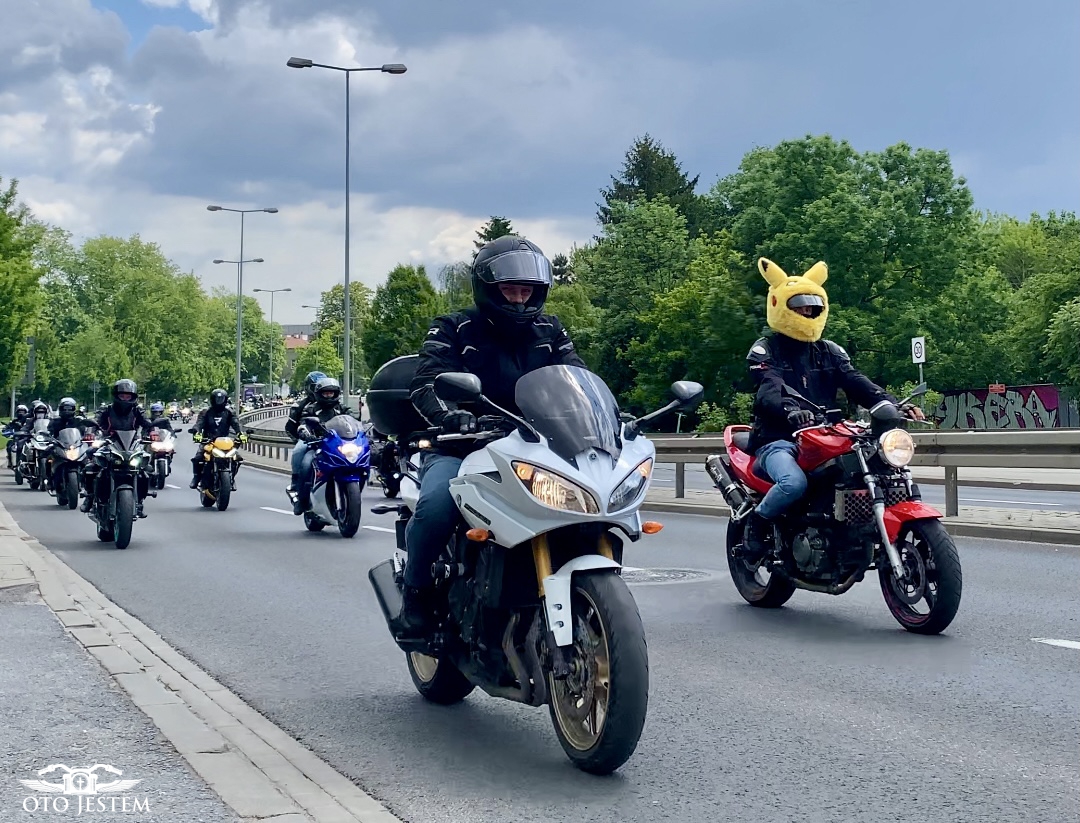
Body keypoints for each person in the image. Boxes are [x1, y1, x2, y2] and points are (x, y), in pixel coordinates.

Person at [399, 235, 587, 637]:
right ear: (488, 288)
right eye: (510, 289)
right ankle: (416, 591)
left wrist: (604, 411)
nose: (519, 299)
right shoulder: (453, 328)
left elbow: (577, 378)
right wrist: (451, 416)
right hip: (463, 446)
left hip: (537, 447)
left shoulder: (550, 330)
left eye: (526, 290)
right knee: (437, 505)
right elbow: (426, 382)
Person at [742, 257, 926, 564]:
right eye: (799, 307)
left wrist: (891, 404)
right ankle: (756, 524)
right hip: (778, 439)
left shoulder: (829, 351)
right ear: (780, 306)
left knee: (864, 469)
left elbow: (855, 381)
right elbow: (769, 387)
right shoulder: (766, 349)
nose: (806, 313)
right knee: (793, 483)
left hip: (824, 434)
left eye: (812, 308)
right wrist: (790, 409)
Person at [81, 379, 154, 515]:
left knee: (146, 469)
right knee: (91, 464)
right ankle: (90, 496)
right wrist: (90, 432)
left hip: (131, 444)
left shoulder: (138, 410)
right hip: (109, 443)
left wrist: (153, 432)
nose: (125, 399)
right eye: (122, 396)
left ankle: (139, 502)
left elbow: (147, 423)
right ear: (116, 396)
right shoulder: (106, 410)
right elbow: (96, 420)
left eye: (128, 396)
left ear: (133, 397)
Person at [284, 376, 354, 515]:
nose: (329, 396)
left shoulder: (342, 408)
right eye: (325, 393)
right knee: (302, 456)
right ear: (318, 393)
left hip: (337, 443)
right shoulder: (310, 408)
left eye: (331, 393)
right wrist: (305, 432)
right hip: (316, 443)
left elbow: (353, 421)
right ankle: (299, 493)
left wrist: (363, 429)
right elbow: (303, 423)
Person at [284, 371, 327, 512]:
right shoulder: (301, 406)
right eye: (316, 387)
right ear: (309, 388)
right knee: (299, 449)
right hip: (309, 440)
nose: (320, 390)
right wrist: (301, 438)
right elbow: (290, 428)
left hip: (331, 439)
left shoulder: (335, 404)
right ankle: (296, 483)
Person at [188, 389, 245, 489]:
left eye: (221, 399)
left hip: (224, 442)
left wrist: (240, 434)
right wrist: (197, 433)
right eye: (217, 399)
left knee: (237, 458)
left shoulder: (229, 412)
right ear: (212, 400)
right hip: (208, 441)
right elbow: (199, 424)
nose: (219, 401)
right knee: (198, 458)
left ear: (225, 400)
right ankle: (196, 478)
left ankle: (231, 478)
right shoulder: (206, 412)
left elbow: (236, 424)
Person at [4, 404, 30, 468]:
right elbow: (8, 428)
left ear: (26, 412)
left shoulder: (29, 420)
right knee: (9, 445)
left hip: (26, 438)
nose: (21, 413)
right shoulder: (14, 421)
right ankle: (10, 461)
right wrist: (6, 430)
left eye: (23, 411)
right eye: (19, 411)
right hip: (16, 438)